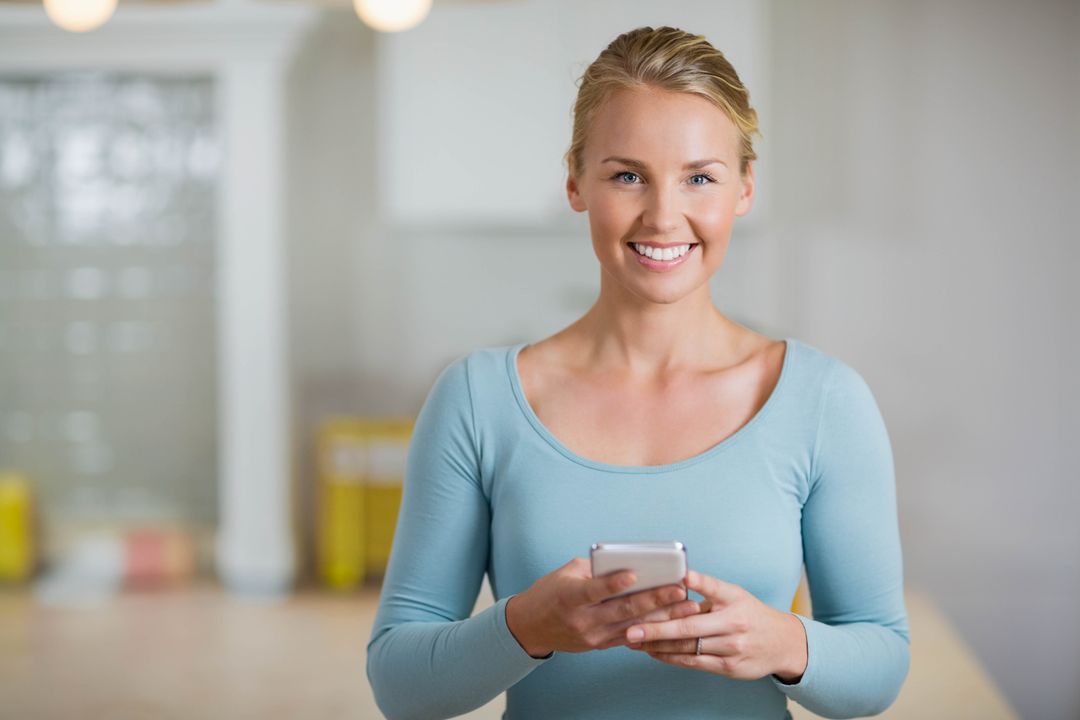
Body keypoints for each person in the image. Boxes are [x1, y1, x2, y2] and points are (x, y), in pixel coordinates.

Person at [366, 25, 910, 720]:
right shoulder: (477, 400)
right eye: (627, 175)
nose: (663, 216)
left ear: (743, 186)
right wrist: (526, 627)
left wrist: (783, 641)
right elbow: (400, 685)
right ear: (575, 181)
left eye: (699, 178)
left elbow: (881, 663)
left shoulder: (824, 401)